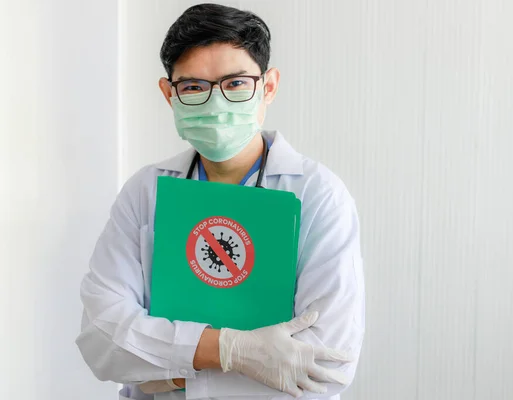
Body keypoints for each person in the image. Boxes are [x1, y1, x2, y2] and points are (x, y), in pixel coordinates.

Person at [76, 4, 365, 400]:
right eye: (193, 87)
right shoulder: (145, 191)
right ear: (169, 94)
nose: (216, 103)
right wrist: (235, 352)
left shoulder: (317, 194)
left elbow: (326, 365)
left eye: (235, 84)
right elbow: (103, 338)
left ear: (269, 86)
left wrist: (164, 370)